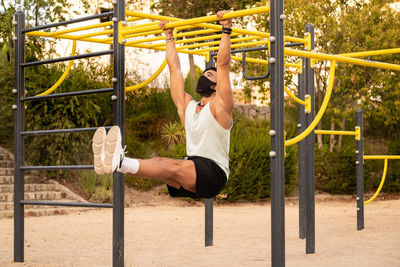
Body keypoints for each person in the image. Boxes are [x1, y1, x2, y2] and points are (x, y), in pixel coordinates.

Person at [92, 10, 234, 199]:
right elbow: (174, 70)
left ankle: (119, 160)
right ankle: (117, 164)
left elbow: (223, 65)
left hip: (214, 172)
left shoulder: (221, 107)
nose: (203, 76)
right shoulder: (187, 107)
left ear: (217, 86)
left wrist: (226, 28)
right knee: (162, 169)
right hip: (193, 166)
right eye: (203, 74)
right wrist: (169, 37)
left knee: (169, 165)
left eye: (209, 75)